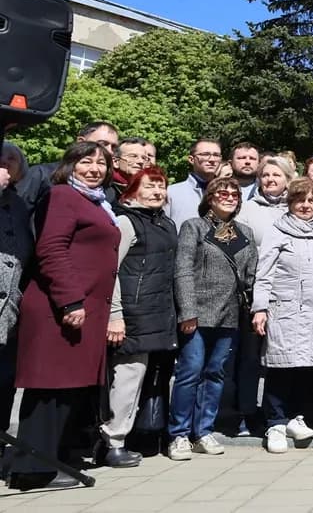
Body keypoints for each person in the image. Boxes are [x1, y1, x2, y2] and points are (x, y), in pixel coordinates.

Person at [9, 142, 121, 491]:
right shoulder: (62, 196)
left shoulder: (96, 202)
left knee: (67, 391)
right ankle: (30, 471)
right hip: (59, 311)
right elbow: (51, 248)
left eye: (101, 163)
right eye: (86, 161)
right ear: (69, 165)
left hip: (85, 310)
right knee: (50, 392)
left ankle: (49, 463)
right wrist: (70, 300)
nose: (94, 168)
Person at [167, 177, 256, 462]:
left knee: (216, 373)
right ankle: (179, 434)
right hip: (197, 312)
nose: (229, 196)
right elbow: (182, 270)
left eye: (234, 193)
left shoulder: (245, 232)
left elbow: (250, 276)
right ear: (209, 196)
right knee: (190, 371)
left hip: (229, 314)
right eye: (222, 192)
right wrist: (188, 311)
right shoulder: (194, 226)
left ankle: (203, 431)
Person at [98, 166, 179, 468]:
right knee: (127, 379)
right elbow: (111, 271)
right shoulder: (126, 222)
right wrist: (115, 315)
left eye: (161, 186)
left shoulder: (164, 223)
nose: (157, 192)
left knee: (139, 379)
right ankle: (113, 442)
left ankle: (121, 439)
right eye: (150, 186)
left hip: (157, 315)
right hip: (131, 316)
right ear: (133, 191)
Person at [252, 178, 313, 454]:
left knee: (308, 367)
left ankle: (295, 417)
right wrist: (260, 308)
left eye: (311, 200)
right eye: (300, 200)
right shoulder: (278, 230)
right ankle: (275, 422)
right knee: (281, 367)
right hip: (285, 311)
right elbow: (264, 273)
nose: (306, 205)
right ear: (291, 203)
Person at [232, 154, 295, 435]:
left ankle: (282, 411)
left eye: (276, 175)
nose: (270, 180)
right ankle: (246, 412)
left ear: (288, 180)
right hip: (254, 294)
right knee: (250, 358)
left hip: (290, 295)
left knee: (282, 357)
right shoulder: (246, 210)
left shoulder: (297, 209)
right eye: (265, 176)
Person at [0, 143, 33, 439]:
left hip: (11, 311)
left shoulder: (19, 203)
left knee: (5, 381)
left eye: (12, 158)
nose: (5, 162)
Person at [16, 121, 119, 213]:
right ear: (81, 141)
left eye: (113, 147)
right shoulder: (43, 175)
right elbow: (16, 213)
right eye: (102, 144)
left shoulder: (107, 191)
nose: (110, 151)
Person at [166, 139, 224, 225]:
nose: (212, 159)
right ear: (191, 159)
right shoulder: (171, 193)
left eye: (216, 155)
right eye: (205, 154)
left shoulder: (229, 194)